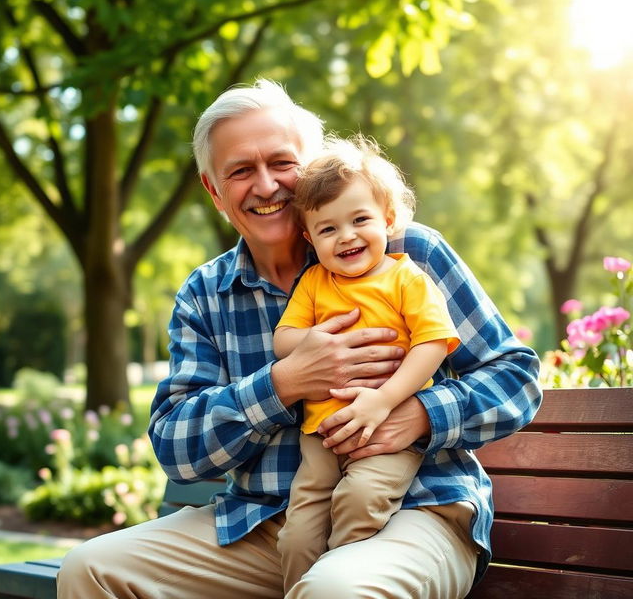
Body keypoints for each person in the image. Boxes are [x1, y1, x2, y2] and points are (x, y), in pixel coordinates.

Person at [57, 79, 541, 599]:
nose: (266, 186)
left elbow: (515, 377)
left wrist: (414, 413)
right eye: (241, 170)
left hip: (413, 512)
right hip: (262, 525)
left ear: (313, 167)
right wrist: (283, 383)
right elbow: (177, 448)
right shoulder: (205, 294)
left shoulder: (408, 253)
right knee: (89, 568)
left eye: (282, 164)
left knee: (336, 589)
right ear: (213, 189)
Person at [273, 135, 462, 592]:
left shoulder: (406, 277)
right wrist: (314, 341)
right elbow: (283, 340)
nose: (347, 236)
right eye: (328, 229)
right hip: (322, 432)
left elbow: (434, 343)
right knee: (297, 533)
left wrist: (383, 400)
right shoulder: (315, 282)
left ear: (388, 219)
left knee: (360, 500)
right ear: (309, 238)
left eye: (360, 219)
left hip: (386, 431)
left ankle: (333, 580)